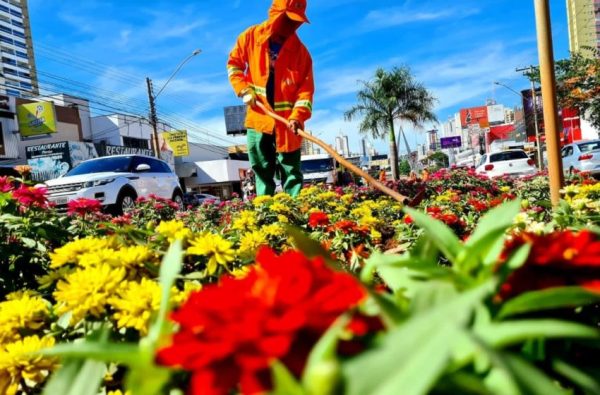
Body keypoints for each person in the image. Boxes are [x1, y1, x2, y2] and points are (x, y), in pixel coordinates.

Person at [227, 0, 314, 197]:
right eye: (288, 20)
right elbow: (234, 65)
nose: (291, 26)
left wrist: (297, 116)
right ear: (276, 14)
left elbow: (305, 92)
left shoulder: (301, 54)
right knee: (262, 170)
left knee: (291, 172)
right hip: (259, 117)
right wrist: (243, 89)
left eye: (296, 22)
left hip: (288, 124)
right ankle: (265, 214)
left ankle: (295, 215)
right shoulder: (251, 37)